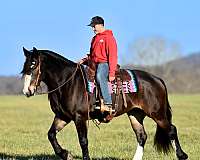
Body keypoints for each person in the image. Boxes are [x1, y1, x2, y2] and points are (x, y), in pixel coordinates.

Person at [79, 16, 118, 112]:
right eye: (92, 27)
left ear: (101, 25)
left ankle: (108, 103)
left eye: (94, 26)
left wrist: (112, 73)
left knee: (100, 76)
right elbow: (92, 55)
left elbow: (112, 56)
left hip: (104, 64)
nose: (93, 29)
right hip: (93, 64)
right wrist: (84, 60)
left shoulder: (109, 38)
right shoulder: (94, 39)